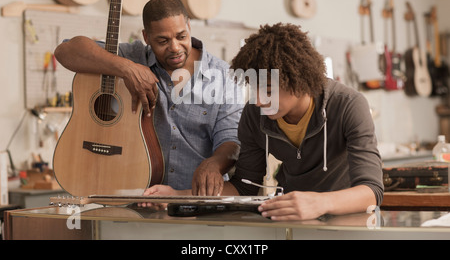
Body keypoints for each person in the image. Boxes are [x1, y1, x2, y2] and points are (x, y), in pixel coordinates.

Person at [151, 23, 384, 221]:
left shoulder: (349, 105)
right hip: (292, 221)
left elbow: (372, 191)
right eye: (255, 89)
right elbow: (244, 187)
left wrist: (319, 203)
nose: (260, 101)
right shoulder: (254, 115)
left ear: (299, 81)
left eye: (269, 91)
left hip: (350, 221)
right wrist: (178, 195)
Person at [54, 0, 243, 196]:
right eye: (163, 41)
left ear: (189, 26)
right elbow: (66, 51)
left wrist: (214, 164)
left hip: (194, 200)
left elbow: (231, 139)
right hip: (137, 199)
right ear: (146, 37)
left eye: (181, 36)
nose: (175, 48)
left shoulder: (224, 76)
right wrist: (126, 68)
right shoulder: (134, 56)